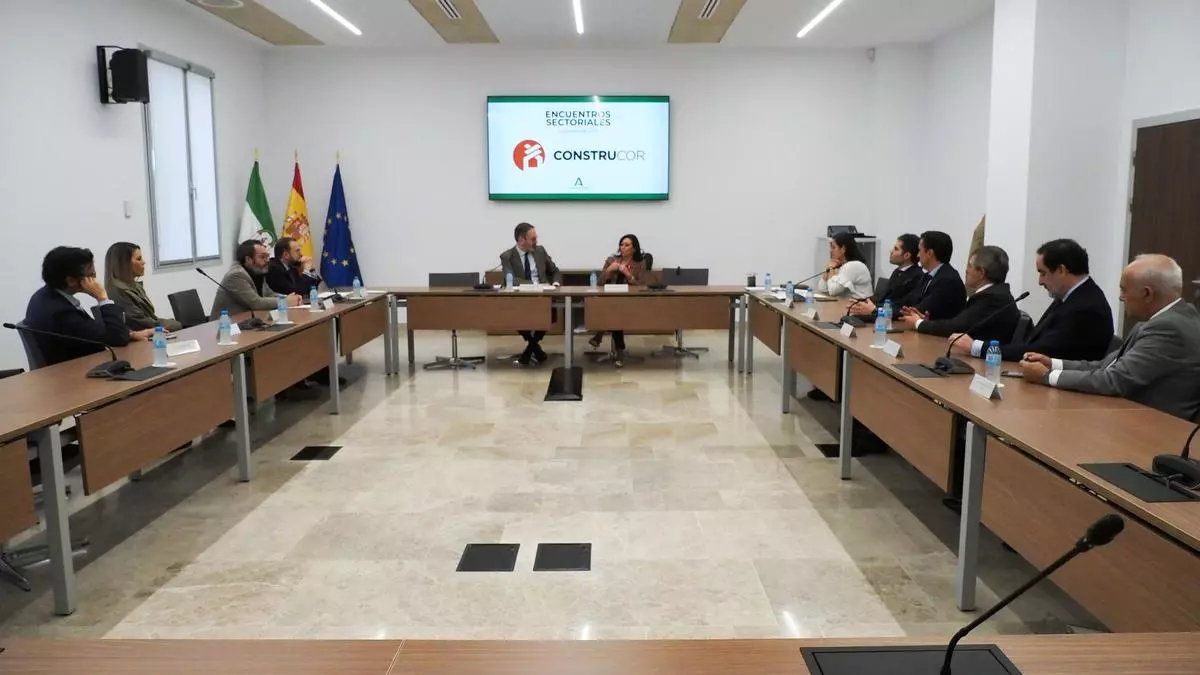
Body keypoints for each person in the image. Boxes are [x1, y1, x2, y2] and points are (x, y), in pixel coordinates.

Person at [1020, 254, 1200, 421]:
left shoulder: (1168, 328)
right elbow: (1105, 366)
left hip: (1158, 427)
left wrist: (1046, 376)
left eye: (1124, 290)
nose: (1121, 298)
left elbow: (1113, 380)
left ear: (1147, 294)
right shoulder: (1164, 320)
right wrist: (1052, 363)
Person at [947, 239, 1113, 362]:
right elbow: (1033, 343)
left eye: (1043, 273)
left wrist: (977, 347)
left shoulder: (1086, 307)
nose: (1040, 281)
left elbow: (1040, 351)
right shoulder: (1070, 296)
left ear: (1061, 270)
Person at [24, 246, 153, 366]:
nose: (94, 280)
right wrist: (103, 298)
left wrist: (131, 334)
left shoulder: (45, 296)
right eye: (91, 275)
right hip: (75, 373)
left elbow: (95, 331)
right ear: (71, 281)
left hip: (79, 366)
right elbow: (117, 339)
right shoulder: (60, 312)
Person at [898, 245, 1018, 343]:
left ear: (981, 273)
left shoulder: (992, 298)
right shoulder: (994, 293)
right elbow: (960, 322)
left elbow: (956, 327)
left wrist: (919, 323)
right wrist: (927, 322)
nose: (966, 270)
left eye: (970, 266)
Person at [499, 222, 561, 365]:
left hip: (543, 297)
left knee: (547, 315)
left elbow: (554, 271)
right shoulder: (507, 256)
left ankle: (529, 350)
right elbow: (510, 279)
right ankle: (534, 348)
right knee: (514, 314)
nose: (536, 241)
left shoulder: (540, 251)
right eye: (533, 239)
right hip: (521, 298)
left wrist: (555, 283)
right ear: (521, 240)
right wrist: (534, 285)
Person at [587, 234, 649, 367]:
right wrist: (609, 270)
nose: (622, 247)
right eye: (621, 244)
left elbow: (641, 285)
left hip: (630, 300)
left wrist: (628, 274)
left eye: (627, 245)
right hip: (611, 299)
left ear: (634, 248)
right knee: (614, 311)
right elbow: (599, 283)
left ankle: (600, 334)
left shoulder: (639, 264)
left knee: (614, 311)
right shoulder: (611, 260)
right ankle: (620, 350)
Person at [209, 240, 301, 320]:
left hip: (248, 322)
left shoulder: (257, 270)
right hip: (225, 326)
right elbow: (255, 303)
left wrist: (289, 298)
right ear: (248, 259)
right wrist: (285, 302)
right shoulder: (236, 275)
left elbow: (269, 294)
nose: (267, 260)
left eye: (267, 256)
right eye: (263, 257)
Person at [103, 242, 183, 333]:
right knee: (176, 325)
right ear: (124, 264)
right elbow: (141, 324)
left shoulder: (134, 286)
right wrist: (173, 324)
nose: (143, 262)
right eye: (138, 259)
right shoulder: (118, 292)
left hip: (149, 331)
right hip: (142, 338)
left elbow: (149, 319)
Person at [894, 230, 966, 320]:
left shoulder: (948, 281)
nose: (918, 255)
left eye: (920, 250)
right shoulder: (927, 276)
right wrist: (883, 309)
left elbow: (918, 311)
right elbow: (907, 301)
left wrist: (884, 311)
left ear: (929, 253)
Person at [849, 234, 923, 317]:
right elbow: (883, 297)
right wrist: (863, 303)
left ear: (907, 255)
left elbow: (902, 305)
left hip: (893, 318)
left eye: (896, 249)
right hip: (882, 313)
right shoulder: (897, 272)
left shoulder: (918, 276)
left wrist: (875, 309)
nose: (891, 251)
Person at [816, 232, 873, 300]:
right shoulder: (841, 265)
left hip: (860, 305)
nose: (830, 251)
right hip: (847, 304)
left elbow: (833, 290)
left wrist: (831, 269)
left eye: (834, 248)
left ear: (843, 249)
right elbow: (822, 289)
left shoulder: (853, 266)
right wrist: (827, 270)